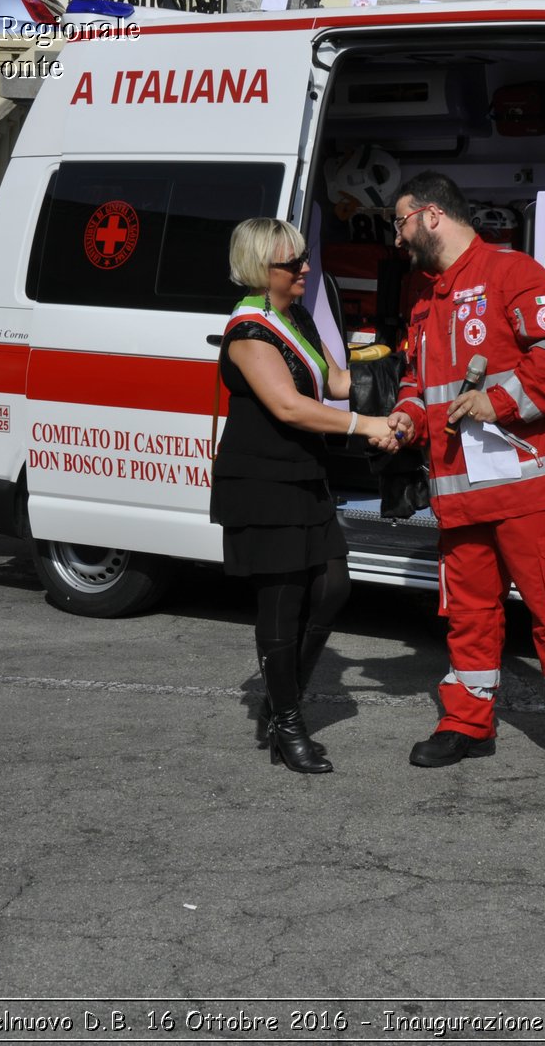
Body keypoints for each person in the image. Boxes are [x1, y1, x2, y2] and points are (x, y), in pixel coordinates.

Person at [384, 171, 545, 786]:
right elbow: (416, 380)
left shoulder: (514, 274)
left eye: (399, 221)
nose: (396, 238)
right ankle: (466, 723)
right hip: (459, 493)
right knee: (469, 616)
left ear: (431, 215)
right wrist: (405, 418)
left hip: (530, 492)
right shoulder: (423, 298)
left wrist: (497, 402)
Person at [213, 217, 399, 774]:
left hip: (302, 473)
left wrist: (403, 377)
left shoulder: (293, 318)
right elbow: (290, 407)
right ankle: (288, 722)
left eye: (302, 258)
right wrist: (368, 427)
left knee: (332, 588)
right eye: (292, 264)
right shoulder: (249, 332)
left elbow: (336, 383)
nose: (305, 269)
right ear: (259, 270)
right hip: (262, 480)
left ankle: (280, 699)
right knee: (283, 599)